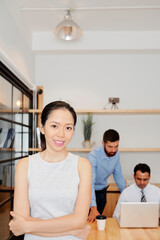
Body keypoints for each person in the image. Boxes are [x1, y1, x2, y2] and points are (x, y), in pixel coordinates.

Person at [9, 101, 92, 240]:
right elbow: (20, 220)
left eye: (68, 128)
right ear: (42, 128)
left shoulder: (82, 166)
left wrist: (27, 226)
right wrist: (71, 230)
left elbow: (79, 220)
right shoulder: (25, 165)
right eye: (54, 126)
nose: (61, 134)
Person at [87, 129, 126, 222]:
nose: (113, 150)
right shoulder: (93, 156)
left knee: (96, 223)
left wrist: (126, 194)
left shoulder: (116, 154)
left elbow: (118, 175)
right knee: (86, 222)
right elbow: (90, 182)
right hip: (88, 193)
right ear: (103, 143)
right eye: (110, 147)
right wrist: (93, 207)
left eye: (116, 146)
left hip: (102, 192)